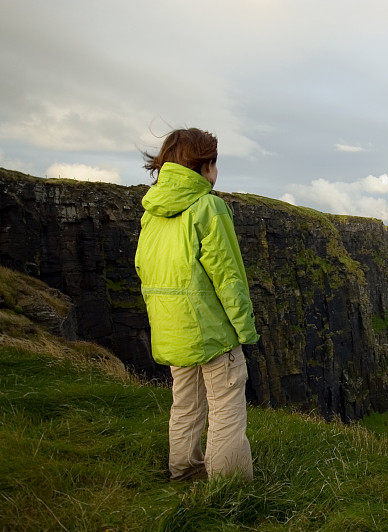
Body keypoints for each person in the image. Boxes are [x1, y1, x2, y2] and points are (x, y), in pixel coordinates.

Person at [134, 127, 259, 482]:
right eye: (214, 164)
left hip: (173, 329)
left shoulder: (152, 212)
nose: (216, 172)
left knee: (185, 404)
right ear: (204, 167)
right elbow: (228, 278)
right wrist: (244, 331)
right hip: (212, 331)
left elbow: (143, 267)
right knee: (227, 408)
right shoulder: (209, 207)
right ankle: (229, 488)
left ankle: (185, 474)